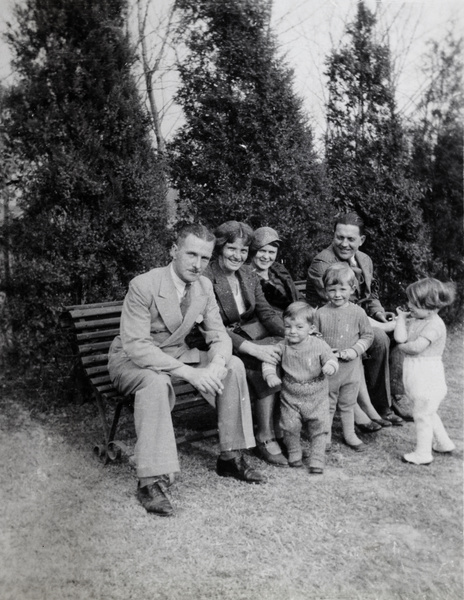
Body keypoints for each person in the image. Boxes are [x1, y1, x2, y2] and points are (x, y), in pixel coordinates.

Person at [108, 224, 266, 517]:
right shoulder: (144, 285)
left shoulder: (204, 287)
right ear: (174, 250)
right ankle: (149, 482)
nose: (198, 264)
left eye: (204, 258)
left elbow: (218, 335)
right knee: (155, 383)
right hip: (132, 361)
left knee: (233, 365)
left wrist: (217, 362)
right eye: (191, 254)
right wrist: (190, 373)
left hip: (175, 354)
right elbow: (137, 346)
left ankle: (230, 456)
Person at [306, 212, 407, 424]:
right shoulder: (322, 262)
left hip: (358, 318)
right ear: (333, 236)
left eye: (350, 239)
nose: (344, 243)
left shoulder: (364, 259)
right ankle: (380, 406)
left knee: (401, 336)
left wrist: (379, 313)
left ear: (361, 240)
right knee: (379, 338)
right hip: (330, 323)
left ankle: (392, 397)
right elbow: (341, 307)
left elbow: (371, 296)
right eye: (339, 237)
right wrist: (385, 325)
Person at [204, 221, 288, 467]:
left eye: (243, 250)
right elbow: (212, 327)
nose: (237, 256)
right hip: (216, 342)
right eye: (232, 248)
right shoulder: (207, 277)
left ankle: (279, 427)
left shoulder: (248, 274)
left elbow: (266, 313)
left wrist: (292, 335)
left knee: (286, 348)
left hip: (246, 336)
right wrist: (252, 348)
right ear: (219, 248)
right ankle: (264, 436)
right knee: (262, 359)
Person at [262, 301, 339, 473]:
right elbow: (268, 360)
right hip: (291, 397)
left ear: (311, 328)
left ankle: (317, 459)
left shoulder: (319, 345)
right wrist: (271, 374)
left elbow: (331, 358)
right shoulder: (283, 346)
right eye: (288, 327)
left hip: (316, 397)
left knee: (320, 428)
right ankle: (294, 452)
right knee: (289, 426)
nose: (292, 331)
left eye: (299, 327)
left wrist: (330, 366)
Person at [394, 278, 456, 465]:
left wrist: (402, 347)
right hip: (416, 374)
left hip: (427, 374)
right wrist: (401, 320)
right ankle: (444, 443)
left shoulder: (435, 325)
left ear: (431, 307)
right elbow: (400, 336)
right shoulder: (417, 319)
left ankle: (423, 453)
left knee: (422, 414)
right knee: (429, 411)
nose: (409, 305)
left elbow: (416, 347)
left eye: (414, 303)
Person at [314, 263, 374, 452]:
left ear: (352, 289)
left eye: (342, 289)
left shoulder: (358, 312)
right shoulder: (320, 313)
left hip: (351, 369)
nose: (337, 294)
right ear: (325, 291)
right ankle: (326, 436)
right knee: (329, 404)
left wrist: (355, 350)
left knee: (348, 403)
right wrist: (324, 350)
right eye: (332, 290)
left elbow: (368, 335)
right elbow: (314, 337)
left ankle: (350, 434)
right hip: (331, 369)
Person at [249, 227, 300, 312]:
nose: (266, 257)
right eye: (262, 251)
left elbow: (297, 296)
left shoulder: (279, 270)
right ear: (253, 250)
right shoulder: (246, 276)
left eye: (271, 252)